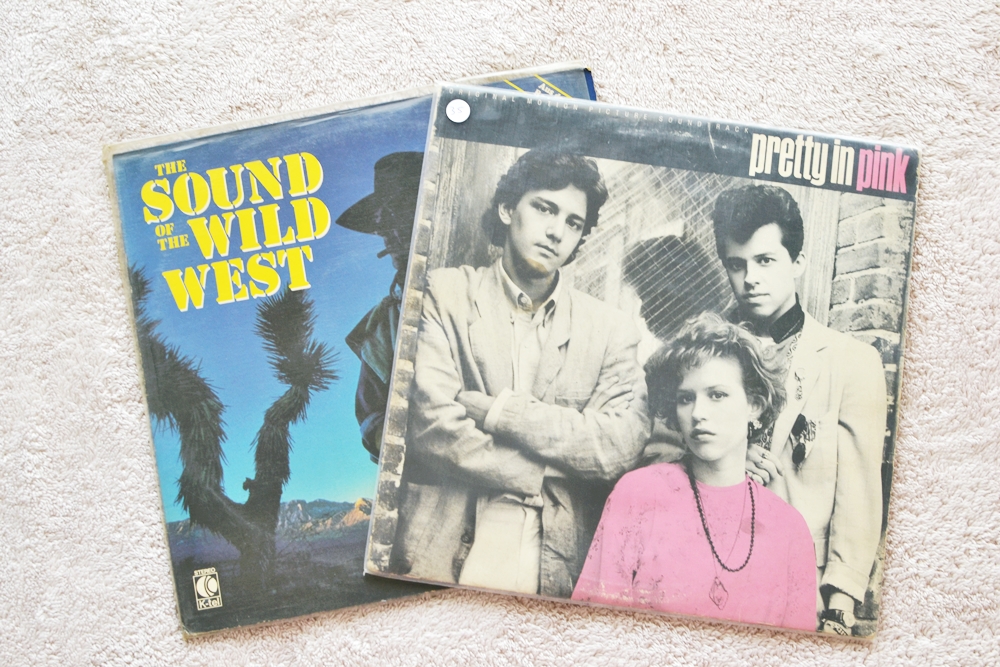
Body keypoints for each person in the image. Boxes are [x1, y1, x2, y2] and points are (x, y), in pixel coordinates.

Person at [389, 150, 651, 597]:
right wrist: (550, 472)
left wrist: (499, 413)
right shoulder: (445, 294)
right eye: (545, 208)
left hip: (555, 560)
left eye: (573, 222)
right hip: (443, 547)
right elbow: (432, 427)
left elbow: (616, 447)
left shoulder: (611, 330)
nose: (556, 232)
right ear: (508, 208)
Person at [711, 184, 887, 635]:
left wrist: (839, 608)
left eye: (766, 261)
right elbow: (663, 455)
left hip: (797, 587)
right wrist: (723, 461)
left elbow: (858, 498)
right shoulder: (703, 354)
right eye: (737, 264)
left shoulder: (851, 362)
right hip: (706, 574)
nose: (750, 278)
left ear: (798, 263)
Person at [572, 314, 816, 631]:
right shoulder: (638, 496)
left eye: (717, 395)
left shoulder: (789, 530)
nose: (698, 413)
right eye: (686, 398)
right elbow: (594, 631)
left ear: (754, 405)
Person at [336, 152, 423, 462]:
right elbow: (372, 419)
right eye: (384, 225)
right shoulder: (383, 325)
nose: (391, 235)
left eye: (402, 217)